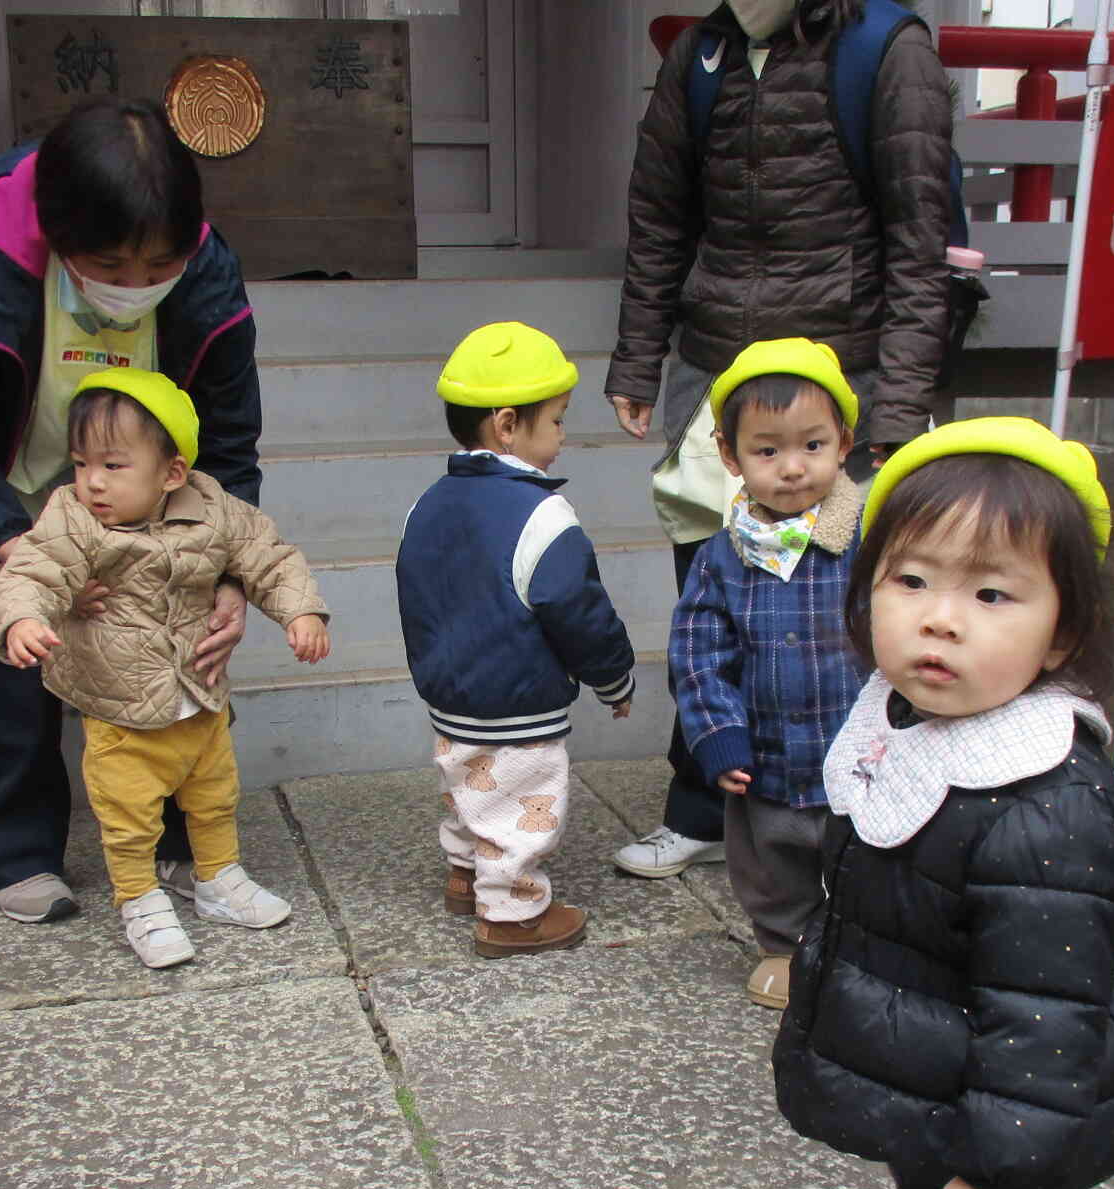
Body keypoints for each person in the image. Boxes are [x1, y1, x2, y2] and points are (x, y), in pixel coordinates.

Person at [770, 418, 1114, 1189]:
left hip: (1016, 1121)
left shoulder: (1043, 801)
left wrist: (996, 1179)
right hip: (953, 1095)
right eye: (911, 578)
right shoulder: (909, 725)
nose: (939, 616)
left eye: (993, 595)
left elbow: (1043, 1025)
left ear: (1061, 633)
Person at [0, 98, 263, 925]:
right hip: (7, 478)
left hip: (149, 481)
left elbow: (228, 440)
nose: (135, 286)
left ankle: (174, 832)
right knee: (21, 646)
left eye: (156, 265)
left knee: (169, 635)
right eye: (109, 265)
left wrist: (228, 567)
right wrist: (18, 545)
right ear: (55, 234)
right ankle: (14, 846)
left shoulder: (206, 269)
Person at [603, 0, 953, 880]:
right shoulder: (702, 53)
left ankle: (867, 808)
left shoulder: (886, 48)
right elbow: (659, 218)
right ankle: (704, 802)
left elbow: (921, 242)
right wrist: (638, 360)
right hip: (721, 375)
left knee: (845, 609)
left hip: (843, 386)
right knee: (712, 601)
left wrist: (899, 411)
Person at [0, 369, 327, 968]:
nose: (92, 481)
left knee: (215, 795)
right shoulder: (74, 518)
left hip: (198, 696)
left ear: (172, 473)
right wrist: (21, 619)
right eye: (80, 463)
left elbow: (269, 556)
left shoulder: (214, 509)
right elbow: (33, 570)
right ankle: (139, 898)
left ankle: (219, 877)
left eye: (113, 466)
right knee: (127, 815)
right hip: (120, 705)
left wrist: (301, 610)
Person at [397, 322, 637, 960]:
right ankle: (513, 914)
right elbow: (580, 611)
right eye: (556, 421)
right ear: (507, 425)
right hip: (518, 698)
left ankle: (462, 874)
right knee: (523, 804)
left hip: (449, 692)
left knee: (467, 786)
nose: (562, 436)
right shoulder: (543, 514)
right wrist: (614, 679)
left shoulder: (425, 504)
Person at [669, 339, 868, 1011]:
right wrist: (717, 736)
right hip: (768, 755)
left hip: (863, 749)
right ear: (730, 456)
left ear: (844, 442)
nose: (792, 469)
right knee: (769, 860)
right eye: (767, 450)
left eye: (812, 446)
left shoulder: (872, 538)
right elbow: (697, 653)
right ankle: (784, 946)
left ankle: (866, 946)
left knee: (869, 857)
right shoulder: (720, 556)